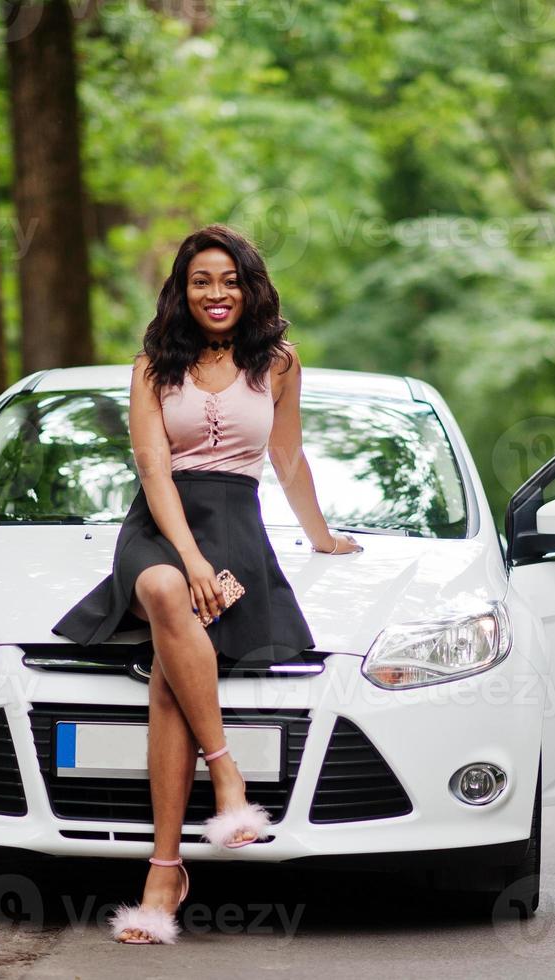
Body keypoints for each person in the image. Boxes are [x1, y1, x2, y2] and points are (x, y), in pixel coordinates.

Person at [49, 223, 363, 944]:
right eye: (200, 282)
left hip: (238, 529)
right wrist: (192, 564)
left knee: (169, 675)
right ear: (181, 292)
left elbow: (286, 458)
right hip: (161, 526)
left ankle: (164, 872)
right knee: (163, 593)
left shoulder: (279, 363)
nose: (215, 293)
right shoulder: (153, 365)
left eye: (228, 280)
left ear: (249, 287)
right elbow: (154, 470)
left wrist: (320, 537)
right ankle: (226, 778)